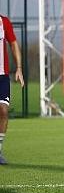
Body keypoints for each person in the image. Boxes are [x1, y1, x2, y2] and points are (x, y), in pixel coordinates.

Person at [0, 14, 24, 165]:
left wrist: (19, 68)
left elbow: (13, 44)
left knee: (3, 110)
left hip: (2, 76)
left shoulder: (4, 21)